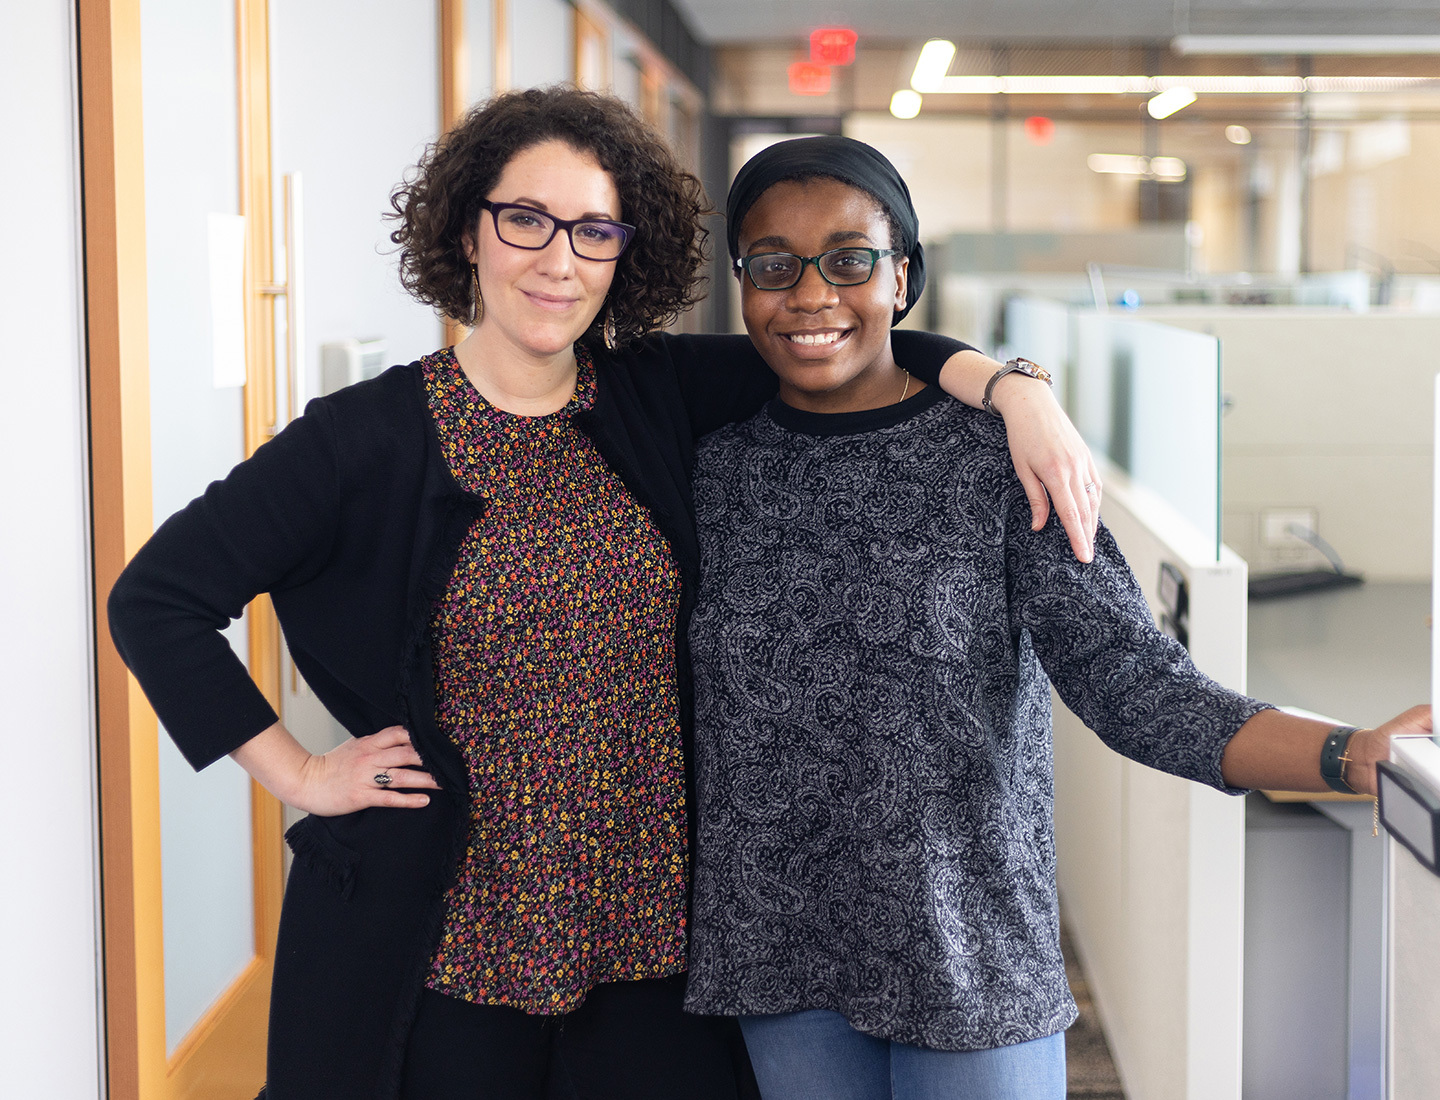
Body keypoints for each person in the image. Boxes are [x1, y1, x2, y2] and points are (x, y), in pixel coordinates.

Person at [106, 90, 1100, 1100]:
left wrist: (1017, 387)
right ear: (469, 231)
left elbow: (843, 337)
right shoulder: (362, 438)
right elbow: (158, 598)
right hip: (453, 935)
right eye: (526, 219)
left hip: (651, 938)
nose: (559, 259)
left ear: (625, 252)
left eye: (593, 230)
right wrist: (298, 772)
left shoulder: (652, 392)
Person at [682, 134, 1433, 1100]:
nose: (813, 293)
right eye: (774, 265)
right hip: (777, 950)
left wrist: (1346, 754)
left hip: (969, 949)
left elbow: (1133, 680)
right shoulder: (712, 469)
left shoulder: (998, 458)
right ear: (743, 283)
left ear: (902, 275)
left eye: (851, 259)